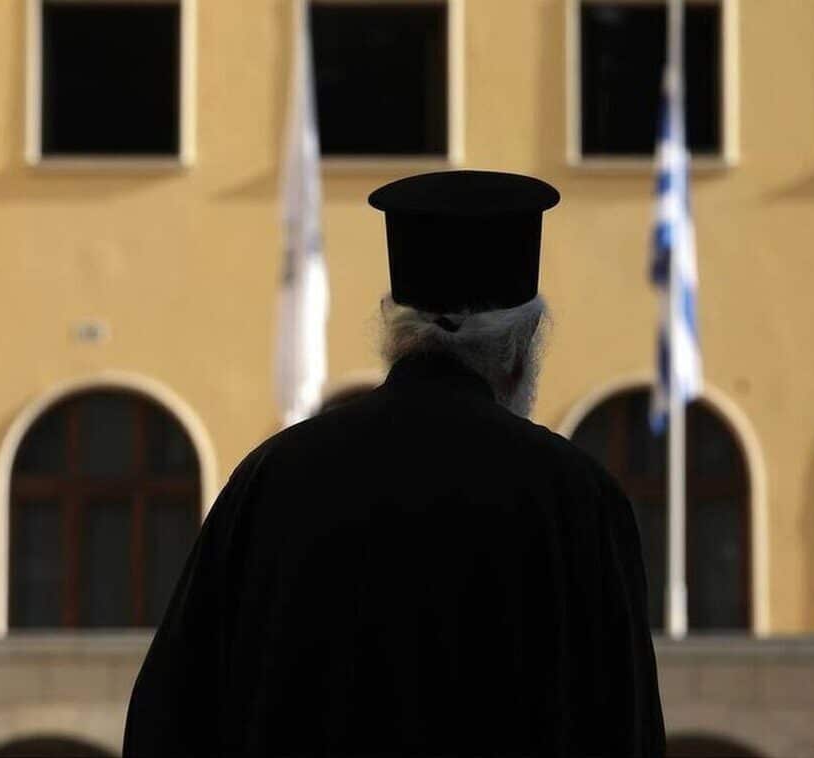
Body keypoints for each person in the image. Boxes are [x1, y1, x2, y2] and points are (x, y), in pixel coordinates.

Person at [123, 170, 665, 757]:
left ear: (395, 329)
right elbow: (626, 728)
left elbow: (170, 717)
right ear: (521, 347)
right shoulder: (576, 497)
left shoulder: (273, 477)